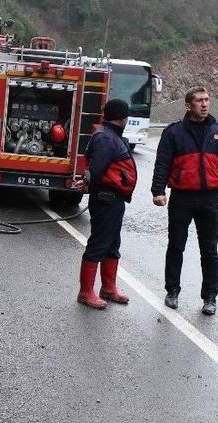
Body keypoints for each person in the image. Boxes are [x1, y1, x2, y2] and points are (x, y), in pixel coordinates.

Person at [151, 86, 218, 315]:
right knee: (176, 246)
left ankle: (210, 297)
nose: (204, 104)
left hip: (209, 198)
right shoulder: (174, 132)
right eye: (199, 100)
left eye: (207, 99)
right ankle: (172, 291)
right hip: (182, 198)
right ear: (189, 105)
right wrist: (158, 190)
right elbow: (162, 163)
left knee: (210, 251)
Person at [77, 99, 137, 309]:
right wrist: (93, 188)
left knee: (112, 244)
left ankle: (108, 288)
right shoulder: (106, 137)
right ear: (123, 117)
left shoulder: (110, 136)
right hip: (106, 198)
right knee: (99, 243)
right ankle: (86, 293)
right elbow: (99, 168)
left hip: (114, 198)